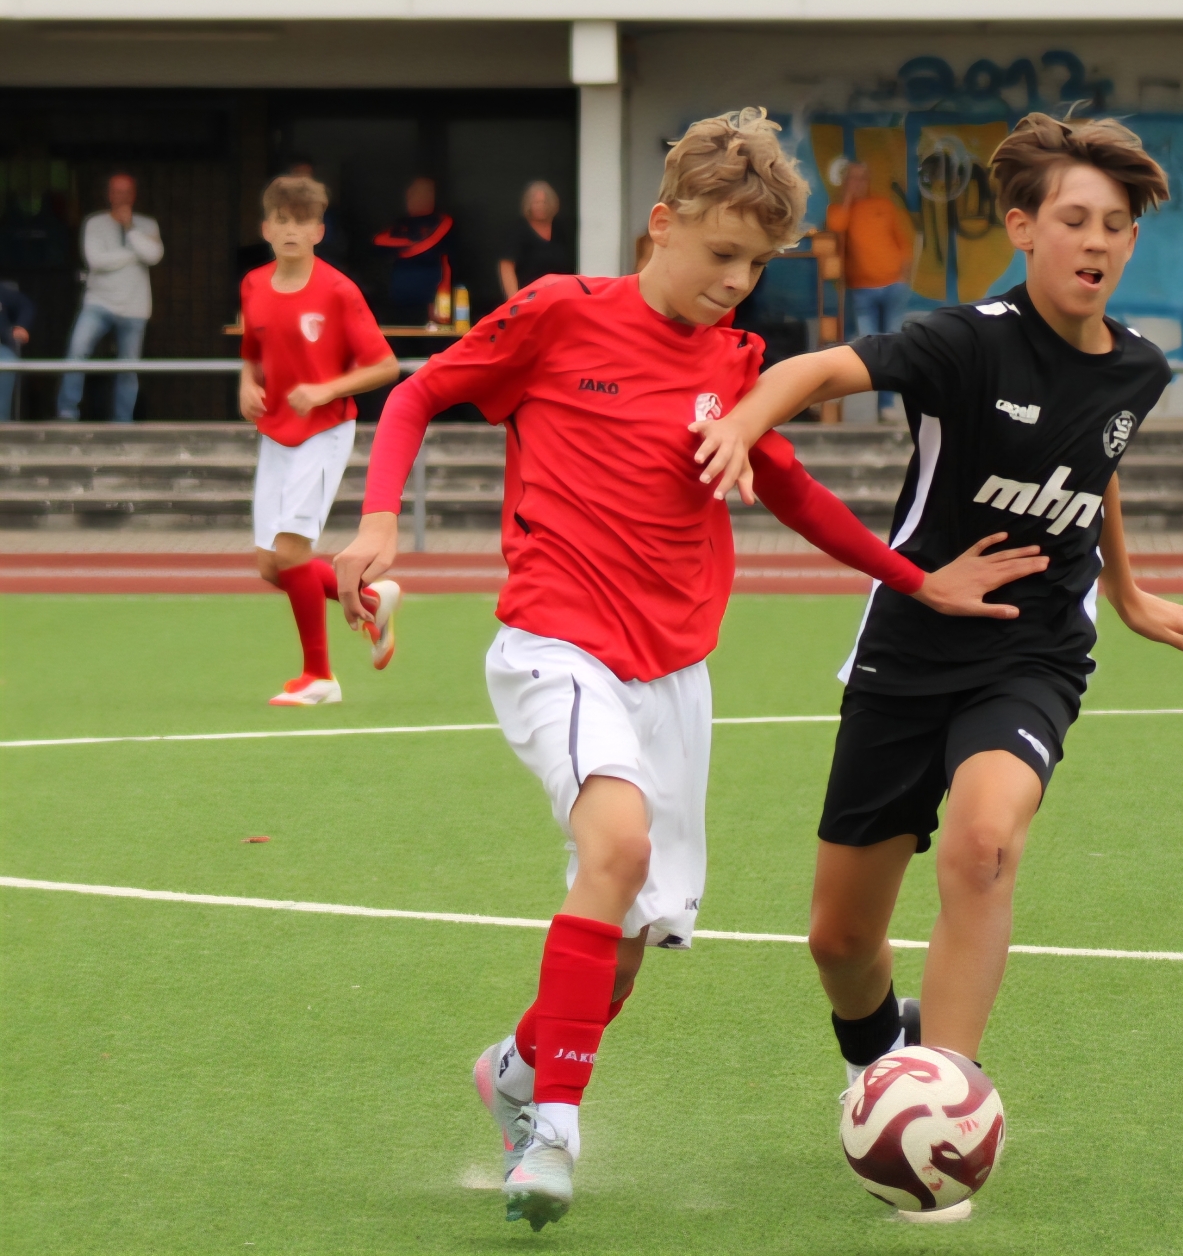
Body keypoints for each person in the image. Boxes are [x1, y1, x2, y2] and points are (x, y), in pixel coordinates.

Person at [331, 108, 1036, 1233]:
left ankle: (517, 1070)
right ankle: (551, 1131)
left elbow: (791, 487)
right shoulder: (558, 312)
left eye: (756, 267)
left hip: (674, 680)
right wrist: (376, 525)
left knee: (619, 957)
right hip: (558, 646)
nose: (738, 283)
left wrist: (918, 579)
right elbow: (417, 393)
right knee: (614, 847)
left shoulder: (735, 364)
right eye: (722, 254)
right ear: (662, 224)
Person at [690, 113, 1183, 1221]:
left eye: (1115, 225)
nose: (1095, 241)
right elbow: (819, 367)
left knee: (984, 844)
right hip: (910, 647)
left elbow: (1096, 465)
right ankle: (880, 1068)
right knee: (840, 938)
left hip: (1033, 654)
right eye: (1074, 219)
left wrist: (1126, 591)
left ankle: (943, 1105)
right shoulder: (964, 342)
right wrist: (743, 423)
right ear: (1024, 228)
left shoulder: (1140, 368)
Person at [239, 175, 403, 706]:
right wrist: (247, 383)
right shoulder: (253, 285)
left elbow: (385, 366)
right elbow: (252, 350)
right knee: (271, 565)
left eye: (302, 221)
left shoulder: (338, 291)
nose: (291, 230)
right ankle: (371, 601)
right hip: (276, 433)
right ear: (266, 228)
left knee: (291, 553)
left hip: (325, 432)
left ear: (319, 231)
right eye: (281, 220)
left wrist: (324, 389)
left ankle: (320, 678)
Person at [55, 173, 164, 422]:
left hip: (135, 307)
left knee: (128, 368)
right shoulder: (94, 223)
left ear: (133, 196)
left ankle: (123, 422)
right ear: (109, 194)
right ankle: (67, 412)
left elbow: (154, 256)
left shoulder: (147, 224)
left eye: (126, 192)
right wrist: (134, 254)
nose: (121, 196)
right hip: (98, 303)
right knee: (77, 352)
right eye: (116, 191)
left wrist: (130, 228)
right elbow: (96, 261)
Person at [826, 162, 915, 420]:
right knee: (870, 346)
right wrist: (847, 198)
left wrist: (904, 275)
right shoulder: (838, 209)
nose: (858, 183)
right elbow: (836, 227)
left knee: (893, 346)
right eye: (852, 178)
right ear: (845, 181)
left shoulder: (883, 205)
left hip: (893, 286)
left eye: (862, 178)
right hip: (861, 290)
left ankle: (886, 406)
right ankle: (873, 400)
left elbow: (902, 241)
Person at [372, 176, 454, 323]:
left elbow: (427, 247)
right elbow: (378, 242)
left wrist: (402, 248)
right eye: (414, 192)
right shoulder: (400, 224)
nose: (419, 197)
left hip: (432, 303)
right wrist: (410, 245)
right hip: (397, 302)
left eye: (426, 192)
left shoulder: (443, 221)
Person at [499, 180, 572, 301]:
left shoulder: (559, 229)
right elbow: (506, 266)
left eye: (544, 202)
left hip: (557, 299)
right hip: (530, 300)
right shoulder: (519, 230)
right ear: (529, 205)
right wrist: (515, 301)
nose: (540, 206)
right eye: (536, 202)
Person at [0, 279, 33, 421]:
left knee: (7, 360)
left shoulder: (2, 292)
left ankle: (2, 423)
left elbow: (25, 305)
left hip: (1, 347)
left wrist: (21, 326)